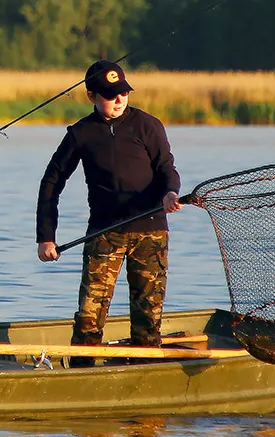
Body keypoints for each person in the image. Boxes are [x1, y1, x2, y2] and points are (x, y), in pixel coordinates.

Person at [36, 60, 181, 358]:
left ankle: (144, 371)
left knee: (147, 317)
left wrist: (170, 193)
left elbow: (167, 169)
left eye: (124, 93)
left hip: (150, 232)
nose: (119, 99)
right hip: (104, 233)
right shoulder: (80, 133)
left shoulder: (148, 125)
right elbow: (51, 183)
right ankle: (83, 371)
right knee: (89, 318)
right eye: (110, 94)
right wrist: (46, 237)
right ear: (91, 96)